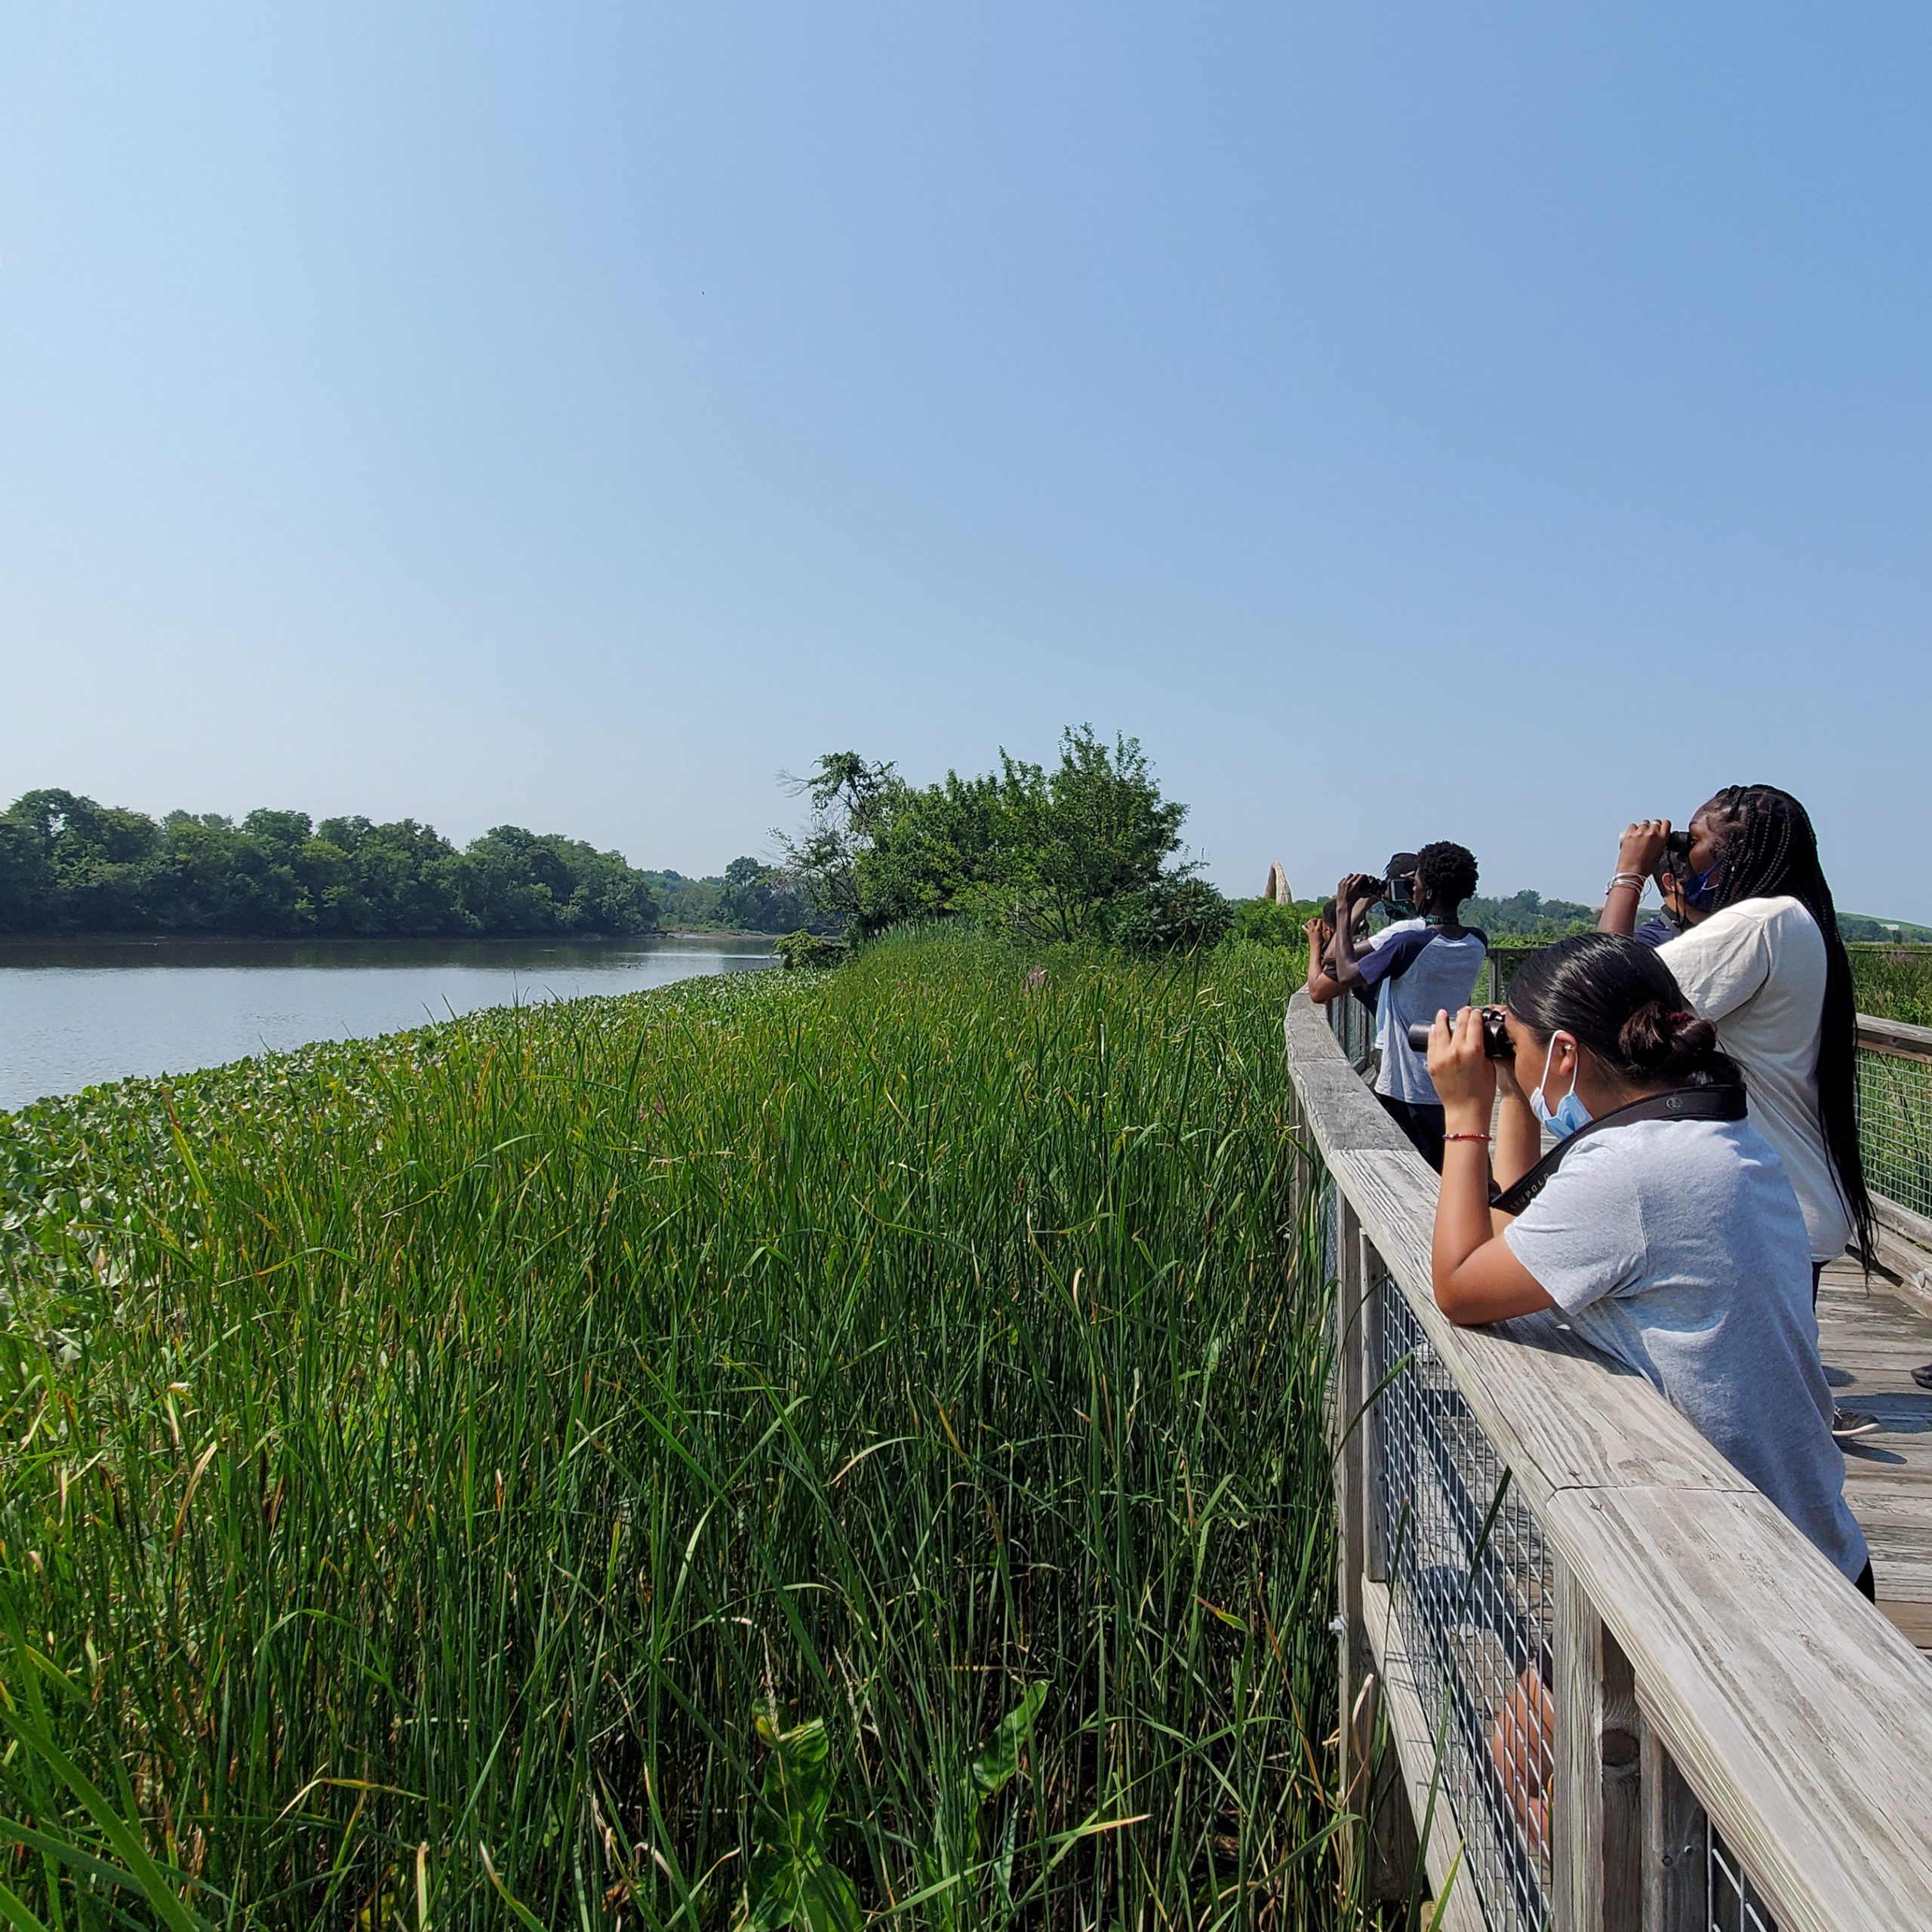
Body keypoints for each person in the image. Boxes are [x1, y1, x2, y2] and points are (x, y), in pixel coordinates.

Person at [1426, 931, 1872, 1600]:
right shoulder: (1703, 1134)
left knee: (1531, 1709)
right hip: (1811, 1540)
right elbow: (1518, 1239)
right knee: (1530, 1709)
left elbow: (1461, 1285)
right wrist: (1514, 1093)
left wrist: (1465, 1115)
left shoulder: (1633, 1175)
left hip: (1754, 1574)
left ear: (1567, 1054)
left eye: (1517, 1045)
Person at [1598, 788, 1881, 1441]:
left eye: (1692, 839)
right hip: (1790, 1202)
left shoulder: (1757, 924)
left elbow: (1601, 994)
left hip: (1764, 1207)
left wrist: (1630, 873)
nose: (1682, 850)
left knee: (1756, 1432)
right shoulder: (1795, 919)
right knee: (1778, 1416)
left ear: (1734, 853)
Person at [1316, 841, 1486, 1171]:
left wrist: (1343, 908)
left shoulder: (1410, 942)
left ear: (1429, 889)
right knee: (1446, 1174)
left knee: (1406, 1176)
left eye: (1417, 881)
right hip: (1452, 1080)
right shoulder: (1477, 941)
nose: (1413, 887)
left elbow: (1345, 971)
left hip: (1406, 1086)